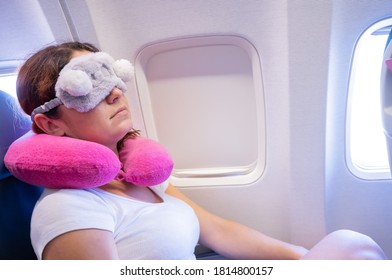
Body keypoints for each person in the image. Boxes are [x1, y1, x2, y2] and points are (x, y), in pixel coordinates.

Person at [16, 41, 387, 260]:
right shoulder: (66, 208)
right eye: (88, 85)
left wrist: (306, 260)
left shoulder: (142, 177)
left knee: (350, 249)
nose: (114, 92)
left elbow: (219, 231)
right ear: (51, 124)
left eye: (110, 75)